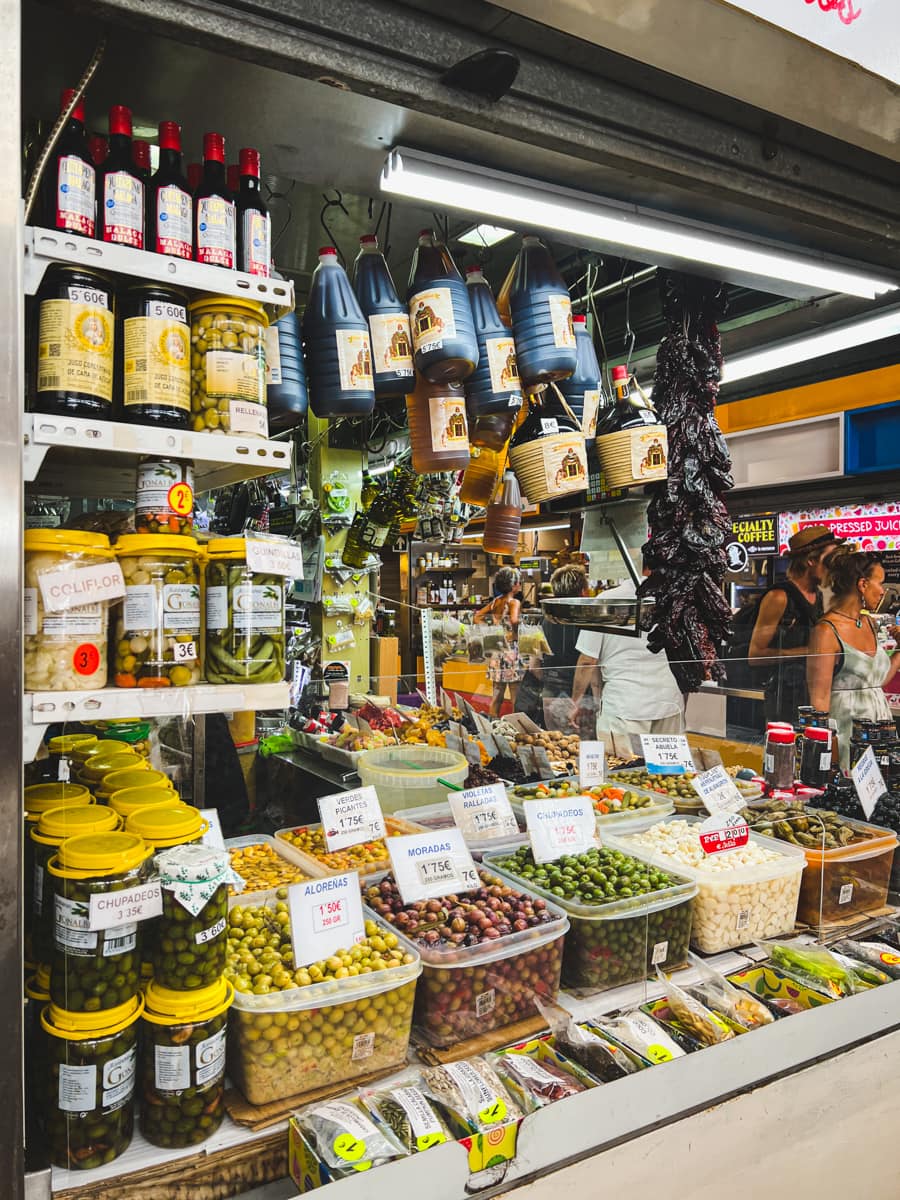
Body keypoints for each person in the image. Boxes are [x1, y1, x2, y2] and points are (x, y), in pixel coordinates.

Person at [807, 552, 900, 771]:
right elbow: (819, 699)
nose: (883, 590)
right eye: (880, 582)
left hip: (880, 730)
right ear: (862, 584)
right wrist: (830, 749)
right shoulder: (826, 631)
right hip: (846, 731)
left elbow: (876, 679)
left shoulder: (868, 622)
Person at [748, 525, 843, 724]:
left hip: (808, 694)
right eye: (829, 559)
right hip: (783, 700)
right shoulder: (779, 596)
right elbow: (755, 656)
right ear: (810, 561)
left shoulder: (816, 595)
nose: (833, 566)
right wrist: (809, 651)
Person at [571, 575, 685, 736]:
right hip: (670, 703)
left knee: (621, 761)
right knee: (666, 761)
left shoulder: (605, 600)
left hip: (624, 706)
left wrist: (575, 702)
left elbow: (587, 661)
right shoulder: (676, 599)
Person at [518, 563, 588, 726]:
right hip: (583, 697)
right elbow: (589, 663)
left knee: (554, 745)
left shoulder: (543, 620)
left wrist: (551, 680)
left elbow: (534, 667)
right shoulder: (589, 622)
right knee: (580, 747)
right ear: (583, 591)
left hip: (551, 693)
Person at [474, 566, 523, 718]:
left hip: (497, 651)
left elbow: (477, 616)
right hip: (511, 651)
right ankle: (516, 726)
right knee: (515, 694)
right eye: (519, 582)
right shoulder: (514, 602)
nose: (520, 585)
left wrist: (492, 629)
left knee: (497, 693)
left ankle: (492, 722)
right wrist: (516, 630)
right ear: (513, 585)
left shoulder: (496, 602)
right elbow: (514, 619)